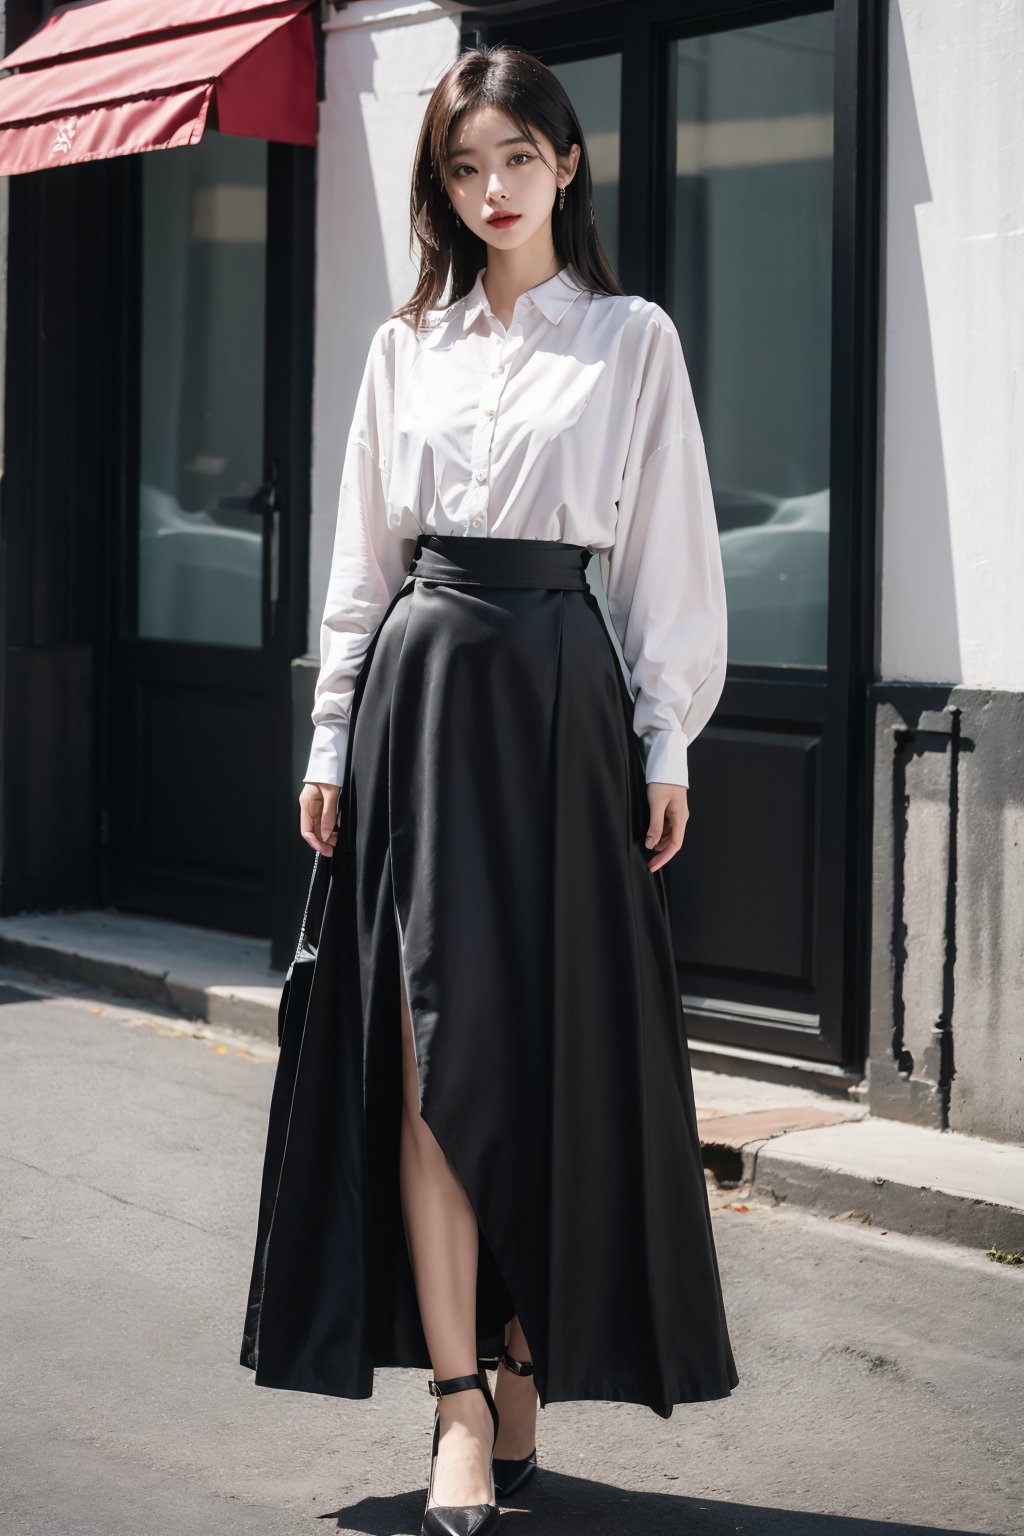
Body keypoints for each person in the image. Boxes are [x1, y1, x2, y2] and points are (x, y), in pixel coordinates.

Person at [240, 42, 738, 1536]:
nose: (493, 188)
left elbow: (670, 551)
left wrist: (668, 739)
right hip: (425, 696)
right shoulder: (409, 347)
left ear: (567, 165)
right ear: (441, 189)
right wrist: (331, 738)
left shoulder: (632, 339)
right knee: (426, 1046)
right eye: (465, 167)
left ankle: (528, 1351)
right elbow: (362, 560)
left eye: (518, 157)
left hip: (566, 700)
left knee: (547, 1050)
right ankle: (460, 1399)